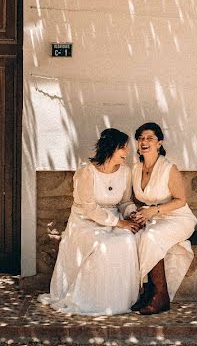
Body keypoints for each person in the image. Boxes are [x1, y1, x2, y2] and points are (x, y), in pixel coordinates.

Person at [39, 128, 142, 315]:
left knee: (127, 240)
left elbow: (125, 201)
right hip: (85, 222)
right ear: (111, 148)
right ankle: (91, 300)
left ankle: (118, 300)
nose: (127, 153)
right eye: (123, 148)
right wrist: (119, 224)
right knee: (102, 245)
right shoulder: (86, 172)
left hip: (114, 218)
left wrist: (133, 214)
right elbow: (89, 208)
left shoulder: (125, 172)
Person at [129, 122, 197, 315]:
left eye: (149, 138)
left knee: (151, 237)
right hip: (152, 218)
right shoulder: (135, 169)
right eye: (141, 138)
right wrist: (137, 212)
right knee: (134, 235)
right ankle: (146, 292)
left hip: (177, 218)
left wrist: (153, 211)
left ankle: (161, 296)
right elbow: (135, 199)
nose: (144, 142)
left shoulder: (169, 168)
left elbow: (181, 200)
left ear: (159, 143)